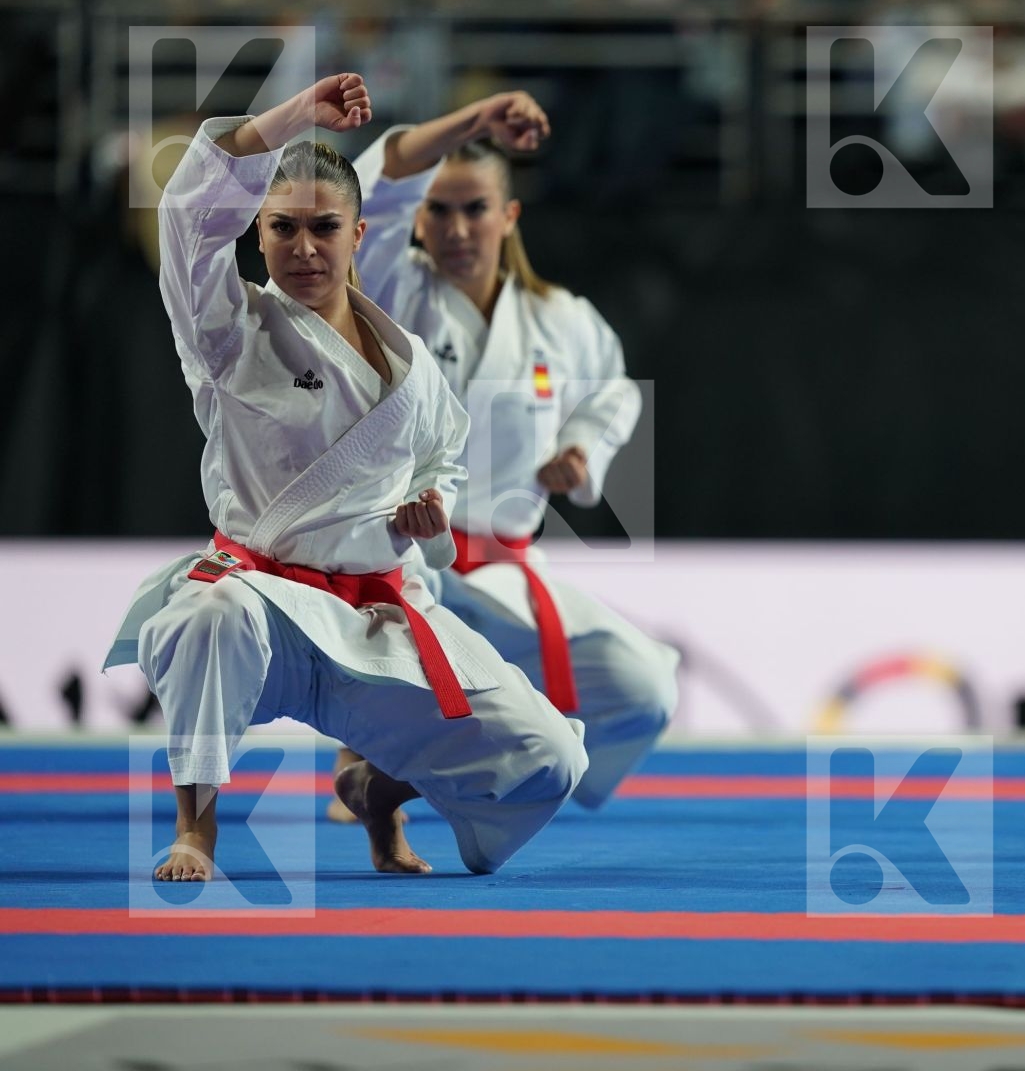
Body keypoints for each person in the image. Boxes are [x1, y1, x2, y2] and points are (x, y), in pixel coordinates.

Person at [106, 74, 589, 881]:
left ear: (359, 232)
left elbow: (442, 455)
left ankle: (376, 787)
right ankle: (197, 827)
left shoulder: (411, 367)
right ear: (256, 234)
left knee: (550, 760)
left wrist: (424, 510)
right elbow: (188, 216)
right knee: (208, 611)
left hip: (374, 619)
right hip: (263, 607)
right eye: (282, 228)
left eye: (322, 228)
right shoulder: (231, 333)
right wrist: (293, 114)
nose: (302, 247)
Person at [326, 92, 678, 822]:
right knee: (424, 688)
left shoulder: (562, 319)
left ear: (508, 216)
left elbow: (612, 395)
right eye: (440, 212)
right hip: (403, 570)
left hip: (509, 572)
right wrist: (476, 120)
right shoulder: (394, 296)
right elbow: (384, 180)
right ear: (416, 221)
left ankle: (409, 780)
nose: (458, 229)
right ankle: (373, 757)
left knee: (645, 690)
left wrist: (582, 451)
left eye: (476, 209)